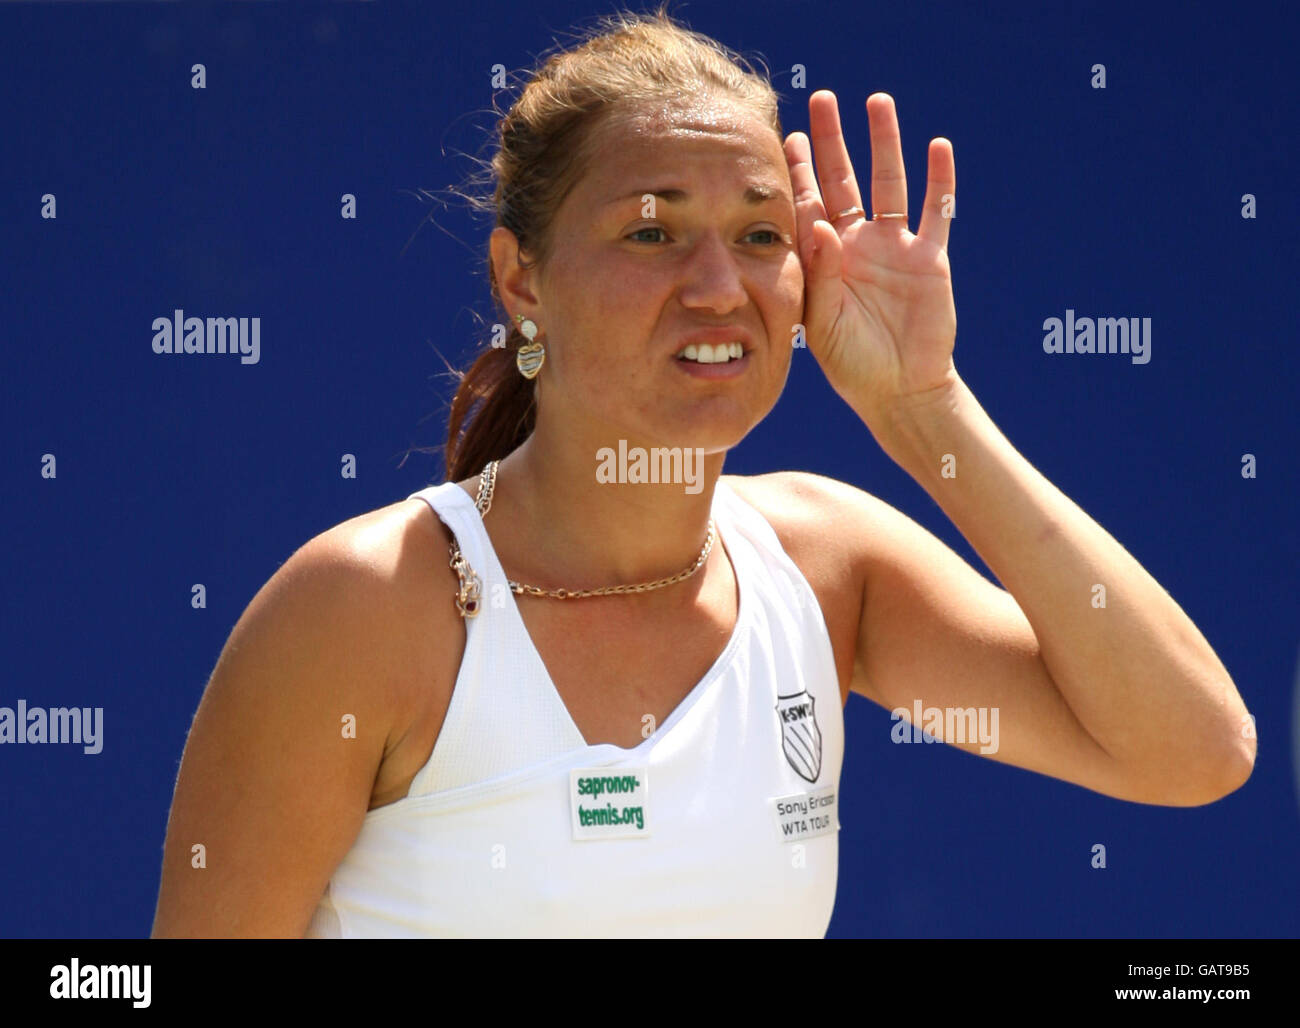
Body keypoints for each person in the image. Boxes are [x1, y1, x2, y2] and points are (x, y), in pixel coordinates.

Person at [150, 5, 1254, 939]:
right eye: (650, 232)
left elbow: (1191, 750)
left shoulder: (830, 567)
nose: (719, 285)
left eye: (762, 235)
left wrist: (925, 411)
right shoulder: (363, 605)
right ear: (521, 280)